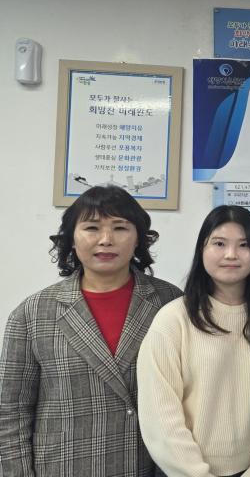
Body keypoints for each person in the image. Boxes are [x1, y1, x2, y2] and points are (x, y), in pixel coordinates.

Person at [0, 185, 182, 476]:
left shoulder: (170, 303)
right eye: (92, 228)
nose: (106, 239)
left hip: (149, 466)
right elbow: (11, 411)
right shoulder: (32, 313)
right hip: (64, 465)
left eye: (120, 228)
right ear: (71, 238)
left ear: (138, 238)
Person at [137, 205, 250, 476]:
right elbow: (159, 415)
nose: (231, 254)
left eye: (244, 245)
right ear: (202, 249)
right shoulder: (173, 320)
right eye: (219, 243)